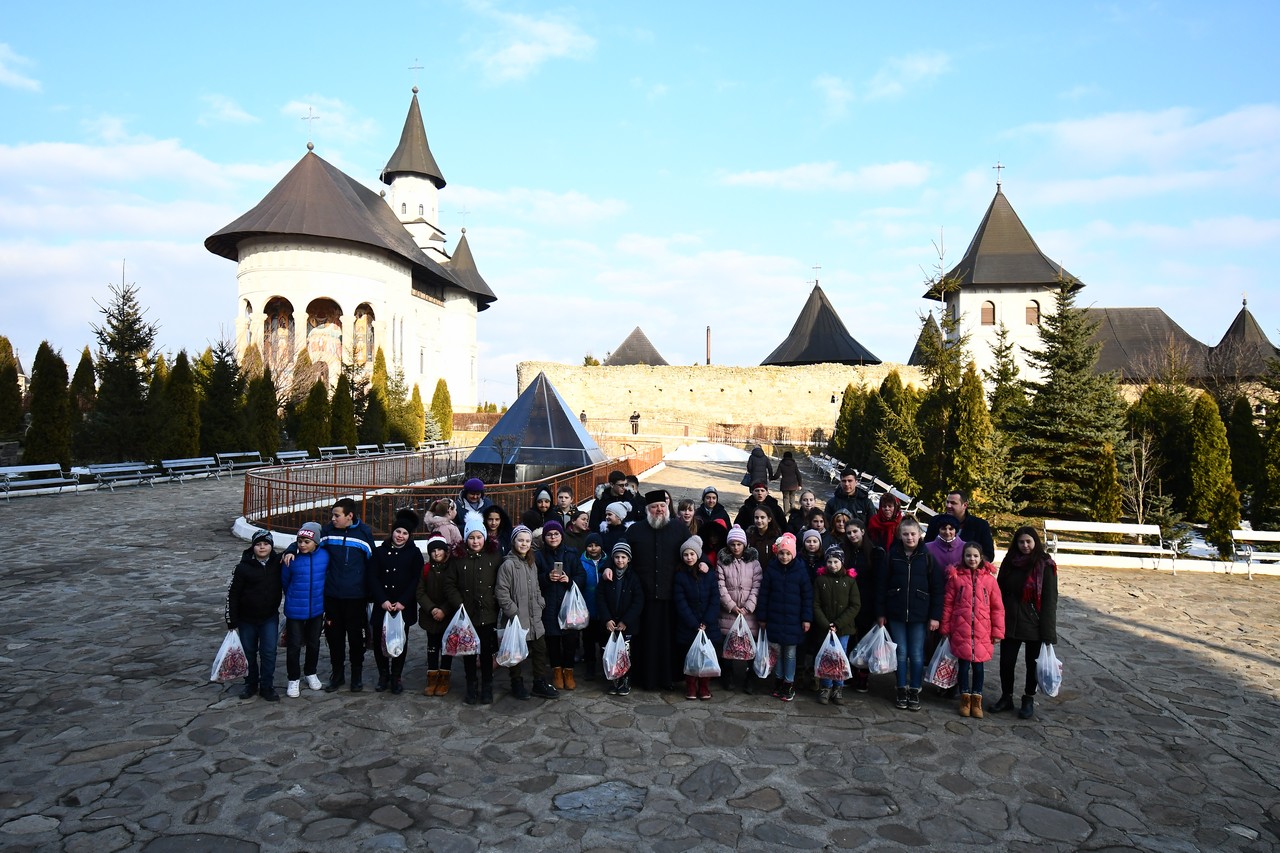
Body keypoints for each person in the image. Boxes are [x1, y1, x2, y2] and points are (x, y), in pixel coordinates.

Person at [282, 498, 375, 693]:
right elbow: (306, 541)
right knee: (335, 638)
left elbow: (371, 562)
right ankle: (337, 674)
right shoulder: (327, 532)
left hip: (356, 597)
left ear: (349, 516)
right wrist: (291, 549)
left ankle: (356, 675)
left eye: (336, 515)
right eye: (332, 515)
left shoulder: (364, 533)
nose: (332, 519)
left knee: (356, 638)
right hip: (332, 596)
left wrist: (370, 592)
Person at [625, 490, 691, 690]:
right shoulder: (635, 530)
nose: (659, 510)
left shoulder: (679, 529)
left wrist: (703, 562)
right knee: (644, 642)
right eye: (654, 507)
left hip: (670, 596)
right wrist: (610, 566)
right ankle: (643, 678)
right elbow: (622, 551)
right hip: (642, 597)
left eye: (662, 506)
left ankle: (668, 678)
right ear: (647, 509)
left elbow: (694, 550)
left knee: (668, 642)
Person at [877, 517, 943, 712]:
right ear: (900, 535)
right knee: (900, 652)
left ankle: (914, 688)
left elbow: (937, 589)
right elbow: (881, 586)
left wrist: (935, 616)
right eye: (905, 534)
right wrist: (880, 612)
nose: (909, 537)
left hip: (919, 614)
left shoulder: (927, 556)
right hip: (896, 613)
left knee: (916, 654)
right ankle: (901, 688)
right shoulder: (892, 555)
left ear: (919, 534)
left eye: (913, 534)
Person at [993, 526, 1058, 719]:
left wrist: (1048, 633)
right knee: (1006, 662)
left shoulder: (1045, 564)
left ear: (1035, 542)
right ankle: (1006, 696)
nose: (1025, 546)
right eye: (1021, 542)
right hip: (1010, 620)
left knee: (1032, 664)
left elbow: (1049, 600)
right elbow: (999, 591)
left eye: (1029, 541)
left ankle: (1028, 698)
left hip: (1033, 623)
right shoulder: (1010, 561)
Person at [941, 541, 1005, 718]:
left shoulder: (989, 581)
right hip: (961, 630)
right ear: (963, 557)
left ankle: (977, 699)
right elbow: (948, 604)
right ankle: (965, 698)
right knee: (963, 666)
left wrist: (998, 632)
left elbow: (997, 607)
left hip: (982, 631)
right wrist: (945, 627)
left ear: (981, 557)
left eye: (975, 556)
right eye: (968, 555)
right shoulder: (956, 578)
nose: (972, 559)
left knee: (978, 667)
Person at [445, 512, 502, 705]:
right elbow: (450, 583)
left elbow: (500, 580)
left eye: (479, 537)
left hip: (487, 612)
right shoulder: (457, 558)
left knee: (486, 652)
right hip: (466, 613)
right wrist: (459, 604)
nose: (475, 541)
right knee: (468, 652)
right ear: (466, 538)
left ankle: (487, 686)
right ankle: (471, 685)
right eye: (471, 537)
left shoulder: (494, 556)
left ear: (484, 538)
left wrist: (495, 598)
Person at [496, 526, 557, 700]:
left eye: (527, 541)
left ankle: (539, 682)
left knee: (539, 650)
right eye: (520, 540)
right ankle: (517, 683)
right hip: (516, 618)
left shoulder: (531, 563)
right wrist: (513, 611)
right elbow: (501, 592)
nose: (524, 544)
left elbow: (536, 587)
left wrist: (540, 603)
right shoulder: (508, 565)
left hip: (534, 616)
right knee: (516, 653)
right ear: (514, 542)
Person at [225, 529, 283, 701]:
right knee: (249, 652)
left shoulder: (278, 563)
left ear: (272, 546)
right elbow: (233, 594)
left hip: (269, 617)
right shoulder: (243, 568)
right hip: (247, 619)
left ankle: (267, 685)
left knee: (269, 652)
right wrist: (231, 619)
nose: (262, 547)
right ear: (253, 547)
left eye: (266, 544)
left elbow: (294, 548)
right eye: (258, 544)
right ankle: (250, 683)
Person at [370, 508, 423, 695]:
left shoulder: (415, 554)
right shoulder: (379, 552)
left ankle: (396, 676)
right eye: (398, 531)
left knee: (400, 640)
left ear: (409, 536)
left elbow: (416, 580)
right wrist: (382, 600)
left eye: (405, 533)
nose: (400, 536)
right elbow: (373, 577)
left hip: (402, 606)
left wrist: (403, 602)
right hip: (382, 605)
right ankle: (383, 674)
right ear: (392, 532)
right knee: (379, 641)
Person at [756, 533, 813, 702]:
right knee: (777, 652)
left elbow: (807, 596)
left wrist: (806, 618)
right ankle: (779, 680)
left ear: (793, 554)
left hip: (793, 621)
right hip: (775, 618)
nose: (784, 557)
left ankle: (789, 682)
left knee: (790, 654)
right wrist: (762, 617)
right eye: (782, 553)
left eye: (788, 553)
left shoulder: (801, 571)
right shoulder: (772, 570)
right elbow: (764, 595)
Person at [536, 520, 585, 690]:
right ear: (544, 538)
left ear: (561, 536)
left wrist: (569, 580)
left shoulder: (571, 554)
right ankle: (557, 671)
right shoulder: (539, 556)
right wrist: (546, 578)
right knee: (553, 641)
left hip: (569, 605)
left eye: (556, 534)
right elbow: (534, 580)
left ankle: (568, 672)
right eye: (549, 534)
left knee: (570, 640)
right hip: (549, 604)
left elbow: (581, 576)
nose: (553, 537)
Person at [281, 522, 327, 698]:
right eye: (299, 541)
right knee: (293, 645)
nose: (302, 545)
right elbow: (285, 582)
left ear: (315, 542)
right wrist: (293, 597)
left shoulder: (324, 556)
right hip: (295, 609)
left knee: (314, 643)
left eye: (307, 541)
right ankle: (293, 678)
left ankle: (310, 672)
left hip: (316, 608)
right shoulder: (290, 559)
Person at [674, 536, 721, 701]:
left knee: (706, 656)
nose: (689, 558)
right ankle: (691, 685)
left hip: (708, 624)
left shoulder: (708, 574)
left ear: (698, 555)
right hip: (689, 624)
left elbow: (715, 598)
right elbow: (680, 602)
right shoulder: (680, 575)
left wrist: (706, 621)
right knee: (691, 657)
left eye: (692, 554)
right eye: (686, 554)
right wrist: (694, 623)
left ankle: (704, 686)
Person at [716, 525, 762, 693]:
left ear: (744, 544)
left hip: (749, 613)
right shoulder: (722, 562)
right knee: (727, 646)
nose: (736, 547)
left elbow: (757, 586)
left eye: (739, 544)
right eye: (733, 544)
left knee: (750, 646)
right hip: (729, 612)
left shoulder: (754, 563)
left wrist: (749, 606)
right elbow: (720, 586)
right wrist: (732, 606)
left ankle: (749, 678)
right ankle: (727, 675)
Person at [813, 546, 859, 705]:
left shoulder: (850, 581)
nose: (833, 565)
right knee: (827, 657)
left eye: (836, 561)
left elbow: (855, 605)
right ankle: (826, 687)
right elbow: (816, 604)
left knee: (840, 657)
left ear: (842, 562)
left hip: (843, 628)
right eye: (830, 562)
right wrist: (826, 624)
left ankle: (838, 687)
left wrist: (838, 624)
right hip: (825, 628)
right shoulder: (820, 580)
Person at [596, 541, 643, 696]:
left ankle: (625, 680)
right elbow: (600, 598)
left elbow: (638, 601)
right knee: (611, 653)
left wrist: (626, 621)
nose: (620, 560)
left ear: (628, 559)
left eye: (623, 557)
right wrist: (607, 619)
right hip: (610, 624)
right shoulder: (607, 577)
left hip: (626, 625)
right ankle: (614, 680)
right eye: (617, 557)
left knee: (626, 654)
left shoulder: (634, 578)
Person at [844, 518, 883, 693]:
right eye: (849, 532)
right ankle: (850, 671)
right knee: (851, 638)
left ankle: (863, 675)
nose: (852, 535)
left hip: (867, 602)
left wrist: (879, 609)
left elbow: (880, 582)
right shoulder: (844, 551)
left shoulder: (874, 552)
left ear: (862, 531)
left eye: (855, 531)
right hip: (848, 603)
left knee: (865, 641)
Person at [416, 535, 455, 697]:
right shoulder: (425, 569)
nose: (436, 553)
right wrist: (432, 609)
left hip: (447, 615)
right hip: (430, 616)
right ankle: (432, 677)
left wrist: (444, 610)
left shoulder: (452, 568)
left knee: (447, 648)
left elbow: (454, 591)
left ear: (445, 551)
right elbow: (420, 591)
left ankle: (444, 677)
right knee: (432, 647)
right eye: (433, 550)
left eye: (440, 549)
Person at [926, 489, 995, 562]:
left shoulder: (980, 525)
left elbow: (988, 555)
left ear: (965, 505)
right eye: (947, 502)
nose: (948, 506)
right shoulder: (935, 521)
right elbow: (926, 548)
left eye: (953, 503)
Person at [579, 532, 606, 679]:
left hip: (603, 609)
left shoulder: (607, 561)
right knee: (588, 640)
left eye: (596, 545)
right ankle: (590, 666)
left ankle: (604, 665)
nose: (593, 548)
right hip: (586, 607)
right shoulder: (581, 562)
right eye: (590, 545)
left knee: (603, 639)